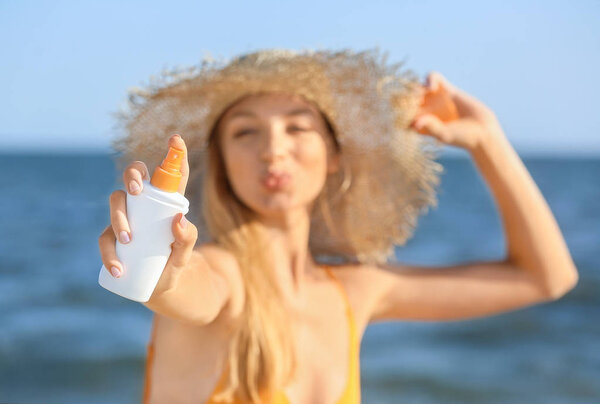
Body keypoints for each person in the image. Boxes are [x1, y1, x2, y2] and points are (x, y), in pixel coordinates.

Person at [98, 48, 579, 404]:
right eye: (245, 132)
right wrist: (160, 271)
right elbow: (186, 289)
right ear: (221, 164)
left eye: (298, 127)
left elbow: (546, 278)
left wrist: (487, 141)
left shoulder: (356, 292)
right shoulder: (224, 274)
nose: (272, 149)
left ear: (333, 157)